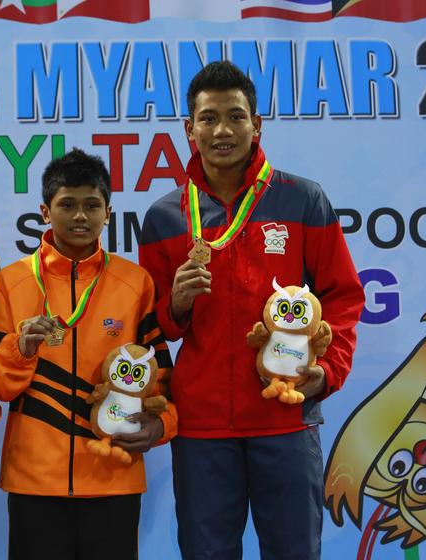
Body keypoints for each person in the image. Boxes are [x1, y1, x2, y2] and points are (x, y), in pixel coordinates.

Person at [139, 61, 365, 559]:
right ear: (190, 129)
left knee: (294, 552)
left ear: (256, 125)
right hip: (202, 424)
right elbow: (152, 327)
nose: (222, 130)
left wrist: (326, 373)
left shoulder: (303, 200)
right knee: (206, 553)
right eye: (209, 118)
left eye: (236, 116)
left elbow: (343, 298)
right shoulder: (164, 217)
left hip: (285, 414)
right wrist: (174, 304)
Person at [0, 148, 178, 560]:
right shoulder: (11, 283)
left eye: (92, 205)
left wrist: (161, 425)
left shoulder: (135, 283)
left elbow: (161, 376)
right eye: (66, 205)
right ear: (44, 210)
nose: (80, 216)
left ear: (109, 212)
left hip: (114, 474)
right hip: (33, 480)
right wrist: (22, 348)